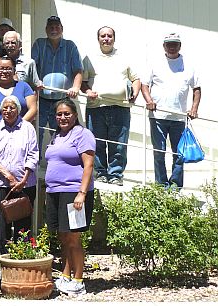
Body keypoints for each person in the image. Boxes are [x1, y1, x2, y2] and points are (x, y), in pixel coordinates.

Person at [45, 98, 95, 296]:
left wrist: (81, 194)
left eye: (67, 114)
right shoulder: (57, 135)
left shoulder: (83, 134)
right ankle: (65, 275)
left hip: (74, 193)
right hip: (55, 192)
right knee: (63, 236)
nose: (63, 117)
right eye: (59, 114)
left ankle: (78, 280)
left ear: (75, 115)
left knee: (74, 238)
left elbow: (88, 165)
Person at [81, 26, 141, 186]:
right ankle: (100, 172)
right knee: (97, 142)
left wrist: (135, 94)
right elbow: (83, 81)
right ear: (98, 38)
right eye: (103, 36)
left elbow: (136, 79)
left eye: (109, 36)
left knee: (119, 144)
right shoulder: (89, 57)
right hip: (96, 107)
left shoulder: (125, 56)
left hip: (120, 107)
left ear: (114, 38)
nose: (106, 38)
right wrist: (87, 91)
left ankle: (115, 174)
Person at [141, 32, 201, 188]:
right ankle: (161, 185)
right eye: (169, 44)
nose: (172, 47)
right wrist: (149, 101)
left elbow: (196, 88)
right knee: (159, 152)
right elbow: (144, 84)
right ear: (164, 46)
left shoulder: (189, 65)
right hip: (158, 116)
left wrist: (194, 108)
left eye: (175, 44)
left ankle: (175, 185)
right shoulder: (154, 63)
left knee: (179, 154)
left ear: (180, 46)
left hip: (179, 117)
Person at [0, 95, 39, 252]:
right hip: (1, 185)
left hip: (25, 185)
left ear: (18, 110)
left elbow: (33, 154)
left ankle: (21, 262)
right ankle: (6, 264)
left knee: (23, 225)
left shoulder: (28, 128)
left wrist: (23, 179)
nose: (8, 110)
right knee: (2, 226)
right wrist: (9, 177)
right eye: (5, 108)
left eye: (12, 107)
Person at [32, 16, 83, 146]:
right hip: (41, 99)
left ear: (62, 29)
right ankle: (35, 164)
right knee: (37, 132)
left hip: (62, 100)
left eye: (57, 27)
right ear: (46, 29)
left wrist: (76, 88)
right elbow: (32, 67)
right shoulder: (39, 44)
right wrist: (37, 81)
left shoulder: (70, 46)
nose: (54, 30)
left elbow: (78, 70)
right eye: (51, 27)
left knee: (63, 133)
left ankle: (60, 163)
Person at [0, 56, 37, 123]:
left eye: (8, 69)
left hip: (21, 130)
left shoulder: (24, 86)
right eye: (1, 68)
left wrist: (20, 125)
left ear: (14, 71)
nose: (4, 71)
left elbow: (33, 109)